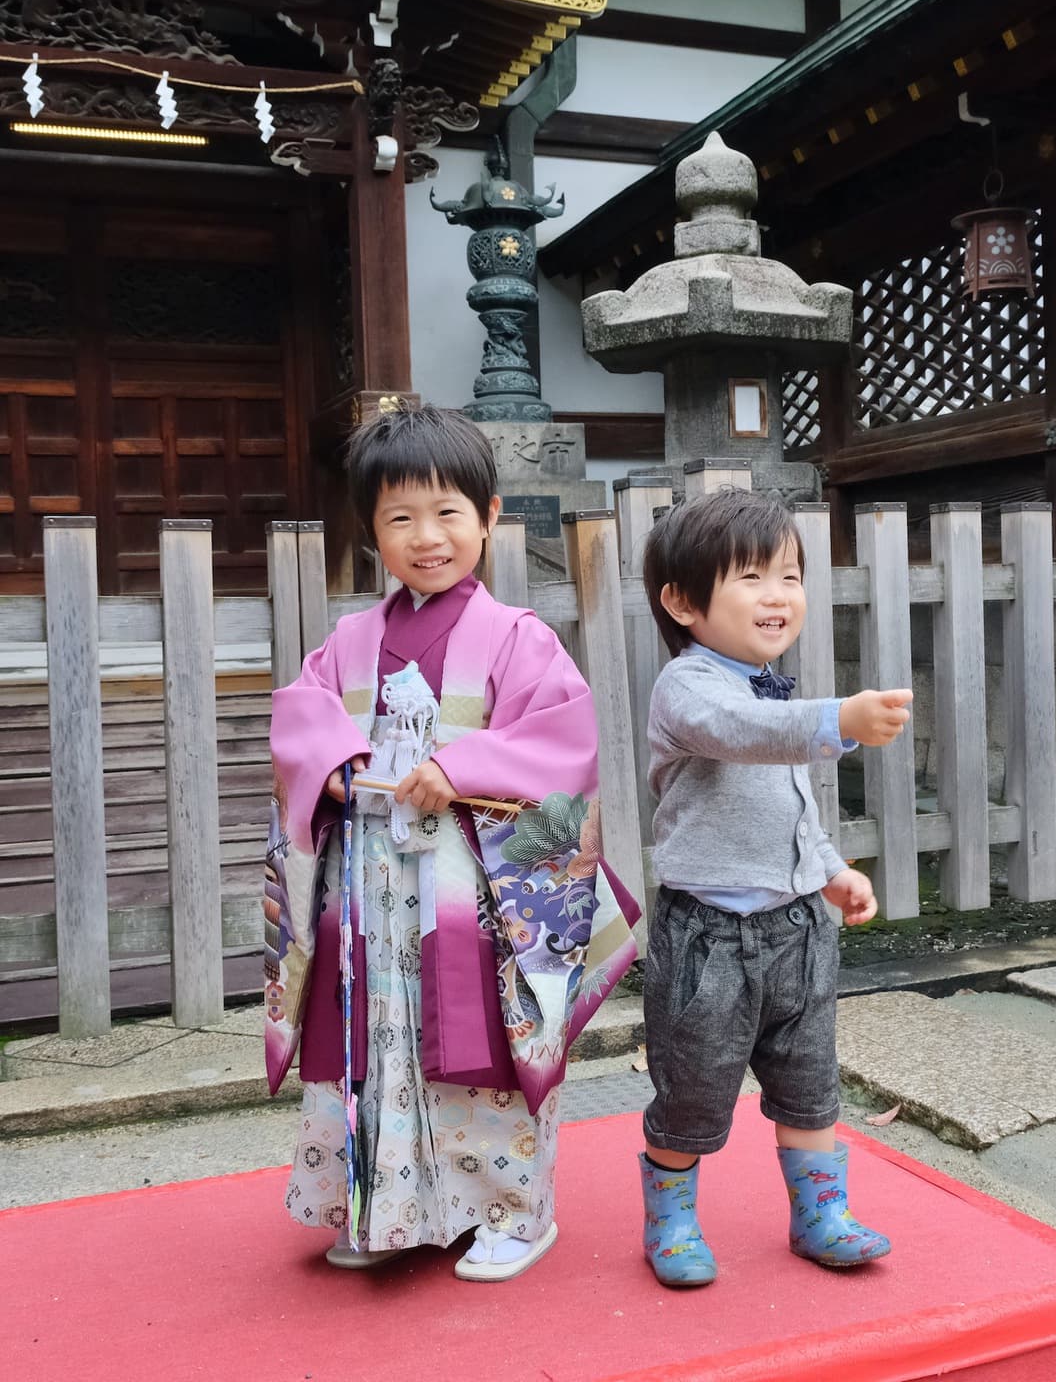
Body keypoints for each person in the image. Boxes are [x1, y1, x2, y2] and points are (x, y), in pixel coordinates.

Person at [264, 405, 632, 1282]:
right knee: (367, 1039)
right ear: (371, 532)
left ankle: (514, 1211)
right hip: (369, 888)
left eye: (447, 512)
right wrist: (337, 768)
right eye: (399, 517)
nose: (426, 537)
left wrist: (465, 765)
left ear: (489, 516)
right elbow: (303, 724)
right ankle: (379, 1204)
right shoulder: (349, 642)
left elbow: (561, 745)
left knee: (481, 1040)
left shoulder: (519, 639)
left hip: (476, 890)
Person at [637, 487, 913, 1287]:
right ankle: (672, 1221)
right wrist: (839, 720)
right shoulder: (689, 689)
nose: (778, 595)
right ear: (683, 602)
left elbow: (789, 804)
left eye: (790, 576)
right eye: (752, 577)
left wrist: (830, 871)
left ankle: (821, 1213)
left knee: (809, 1080)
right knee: (693, 1088)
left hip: (796, 929)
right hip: (709, 936)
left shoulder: (769, 686)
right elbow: (747, 738)